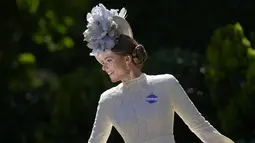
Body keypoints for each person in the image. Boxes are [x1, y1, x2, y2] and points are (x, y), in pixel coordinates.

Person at [83, 3, 234, 143]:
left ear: (127, 59)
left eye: (108, 60)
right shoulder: (107, 100)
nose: (104, 68)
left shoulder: (166, 84)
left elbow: (200, 128)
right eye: (102, 63)